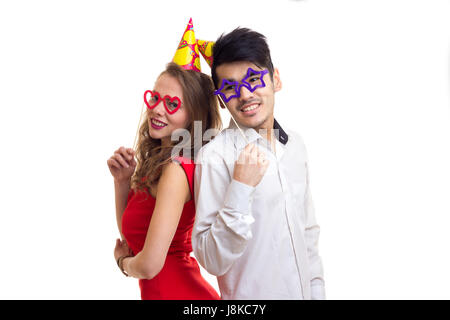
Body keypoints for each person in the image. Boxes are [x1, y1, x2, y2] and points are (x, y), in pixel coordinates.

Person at [192, 28, 326, 300]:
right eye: (230, 87)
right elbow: (211, 260)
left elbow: (308, 234)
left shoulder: (295, 146)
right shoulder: (214, 158)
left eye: (254, 78)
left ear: (275, 79)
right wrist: (240, 188)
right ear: (221, 99)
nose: (245, 95)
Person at [107, 62, 221, 300]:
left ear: (194, 115)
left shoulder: (176, 170)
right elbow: (135, 240)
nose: (157, 109)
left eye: (172, 104)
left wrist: (122, 263)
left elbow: (148, 265)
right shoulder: (161, 164)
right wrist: (122, 181)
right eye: (155, 98)